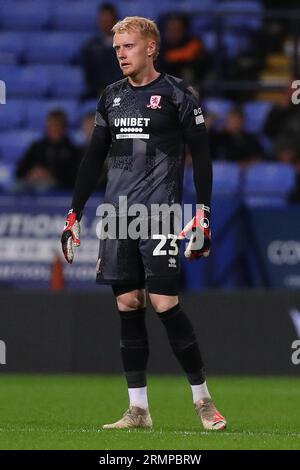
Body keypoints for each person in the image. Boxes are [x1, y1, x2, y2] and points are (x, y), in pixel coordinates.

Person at [61, 16, 227, 431]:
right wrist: (74, 214)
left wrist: (203, 212)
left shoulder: (177, 95)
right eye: (116, 47)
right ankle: (138, 410)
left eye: (128, 46)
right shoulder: (111, 96)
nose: (120, 54)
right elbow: (93, 158)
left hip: (160, 215)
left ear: (151, 47)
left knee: (164, 303)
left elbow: (202, 157)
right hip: (118, 217)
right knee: (127, 304)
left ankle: (203, 400)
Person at [15, 110, 81, 193]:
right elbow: (20, 170)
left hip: (58, 186)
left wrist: (51, 175)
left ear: (64, 128)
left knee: (42, 188)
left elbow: (73, 176)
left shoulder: (72, 149)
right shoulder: (37, 146)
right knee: (17, 186)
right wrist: (31, 173)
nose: (54, 129)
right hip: (33, 181)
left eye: (57, 125)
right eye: (51, 125)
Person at [81, 3, 123, 98]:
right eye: (102, 20)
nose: (105, 23)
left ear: (115, 20)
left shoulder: (125, 45)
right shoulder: (91, 47)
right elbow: (89, 74)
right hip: (97, 93)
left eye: (108, 20)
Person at [158, 13, 208, 84]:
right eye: (170, 29)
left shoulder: (193, 42)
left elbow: (191, 55)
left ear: (184, 30)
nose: (173, 33)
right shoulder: (159, 46)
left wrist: (172, 56)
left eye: (177, 29)